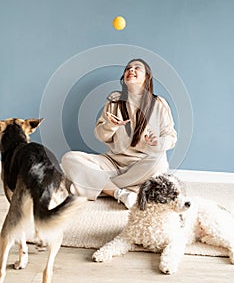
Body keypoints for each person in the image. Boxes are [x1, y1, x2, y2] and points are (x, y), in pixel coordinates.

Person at [62, 59, 177, 209]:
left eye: (137, 68)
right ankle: (120, 193)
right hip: (112, 163)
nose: (131, 70)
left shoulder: (159, 103)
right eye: (128, 68)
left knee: (160, 161)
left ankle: (96, 184)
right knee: (69, 158)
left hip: (142, 165)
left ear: (147, 77)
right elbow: (100, 135)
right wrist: (110, 125)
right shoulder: (115, 100)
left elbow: (171, 137)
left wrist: (158, 142)